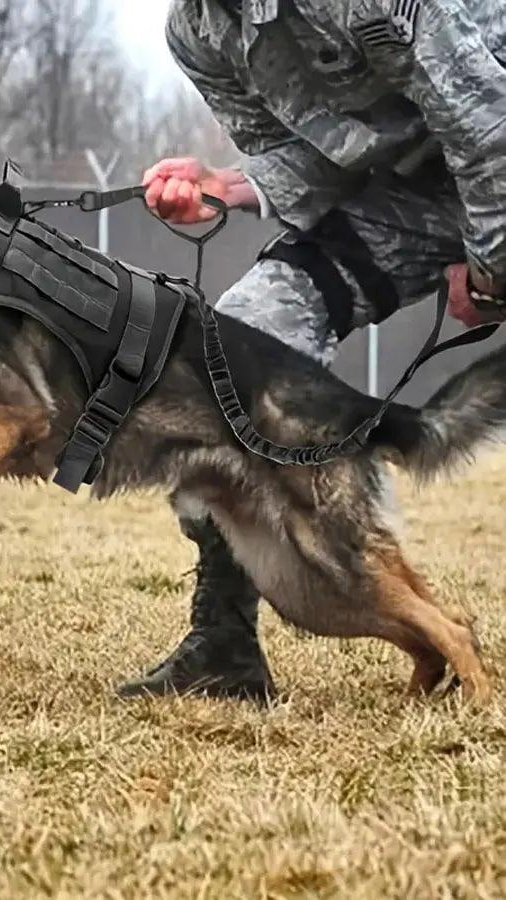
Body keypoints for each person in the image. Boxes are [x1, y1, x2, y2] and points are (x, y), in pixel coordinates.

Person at [118, 0, 506, 700]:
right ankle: (223, 647)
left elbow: (486, 125)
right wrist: (234, 184)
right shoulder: (198, 31)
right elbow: (323, 158)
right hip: (408, 199)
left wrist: (492, 269)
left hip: (496, 165)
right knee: (226, 363)